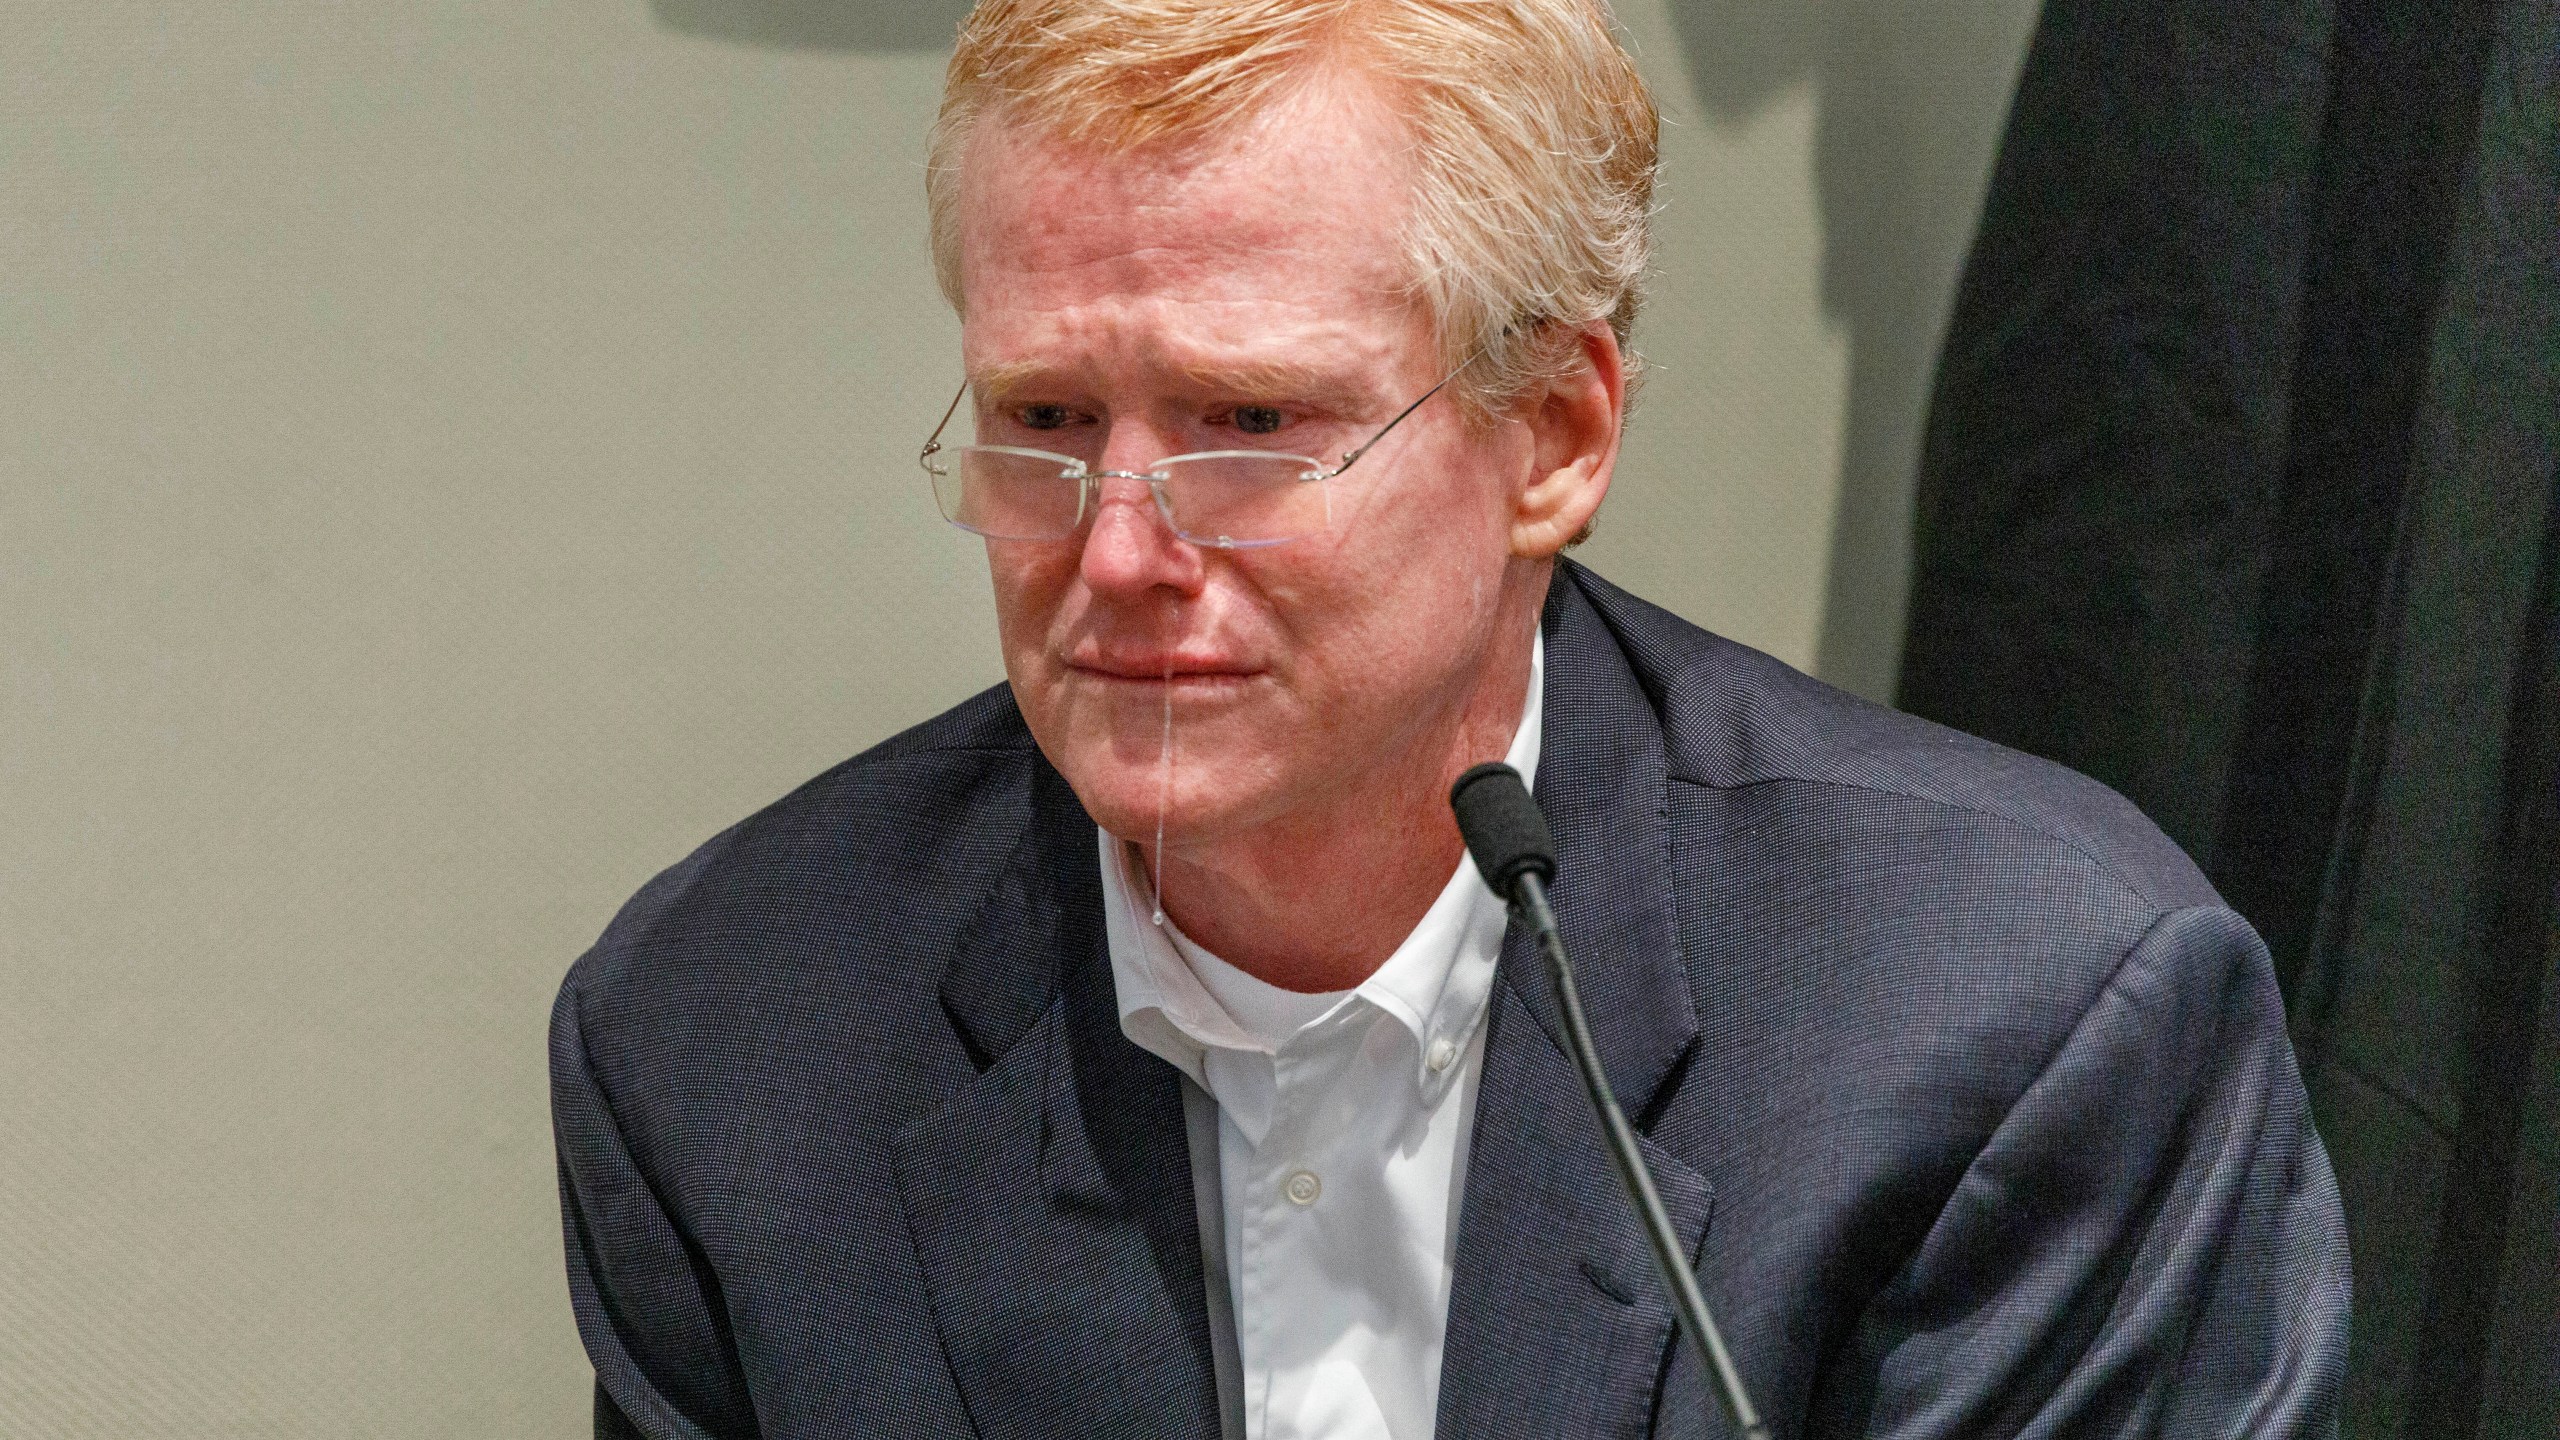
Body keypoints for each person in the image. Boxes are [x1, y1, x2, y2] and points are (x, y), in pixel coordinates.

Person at [549, 2, 2352, 1436]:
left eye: (1244, 426)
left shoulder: (2021, 1030)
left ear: (1554, 437)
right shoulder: (721, 1052)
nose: (1112, 551)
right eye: (1043, 417)